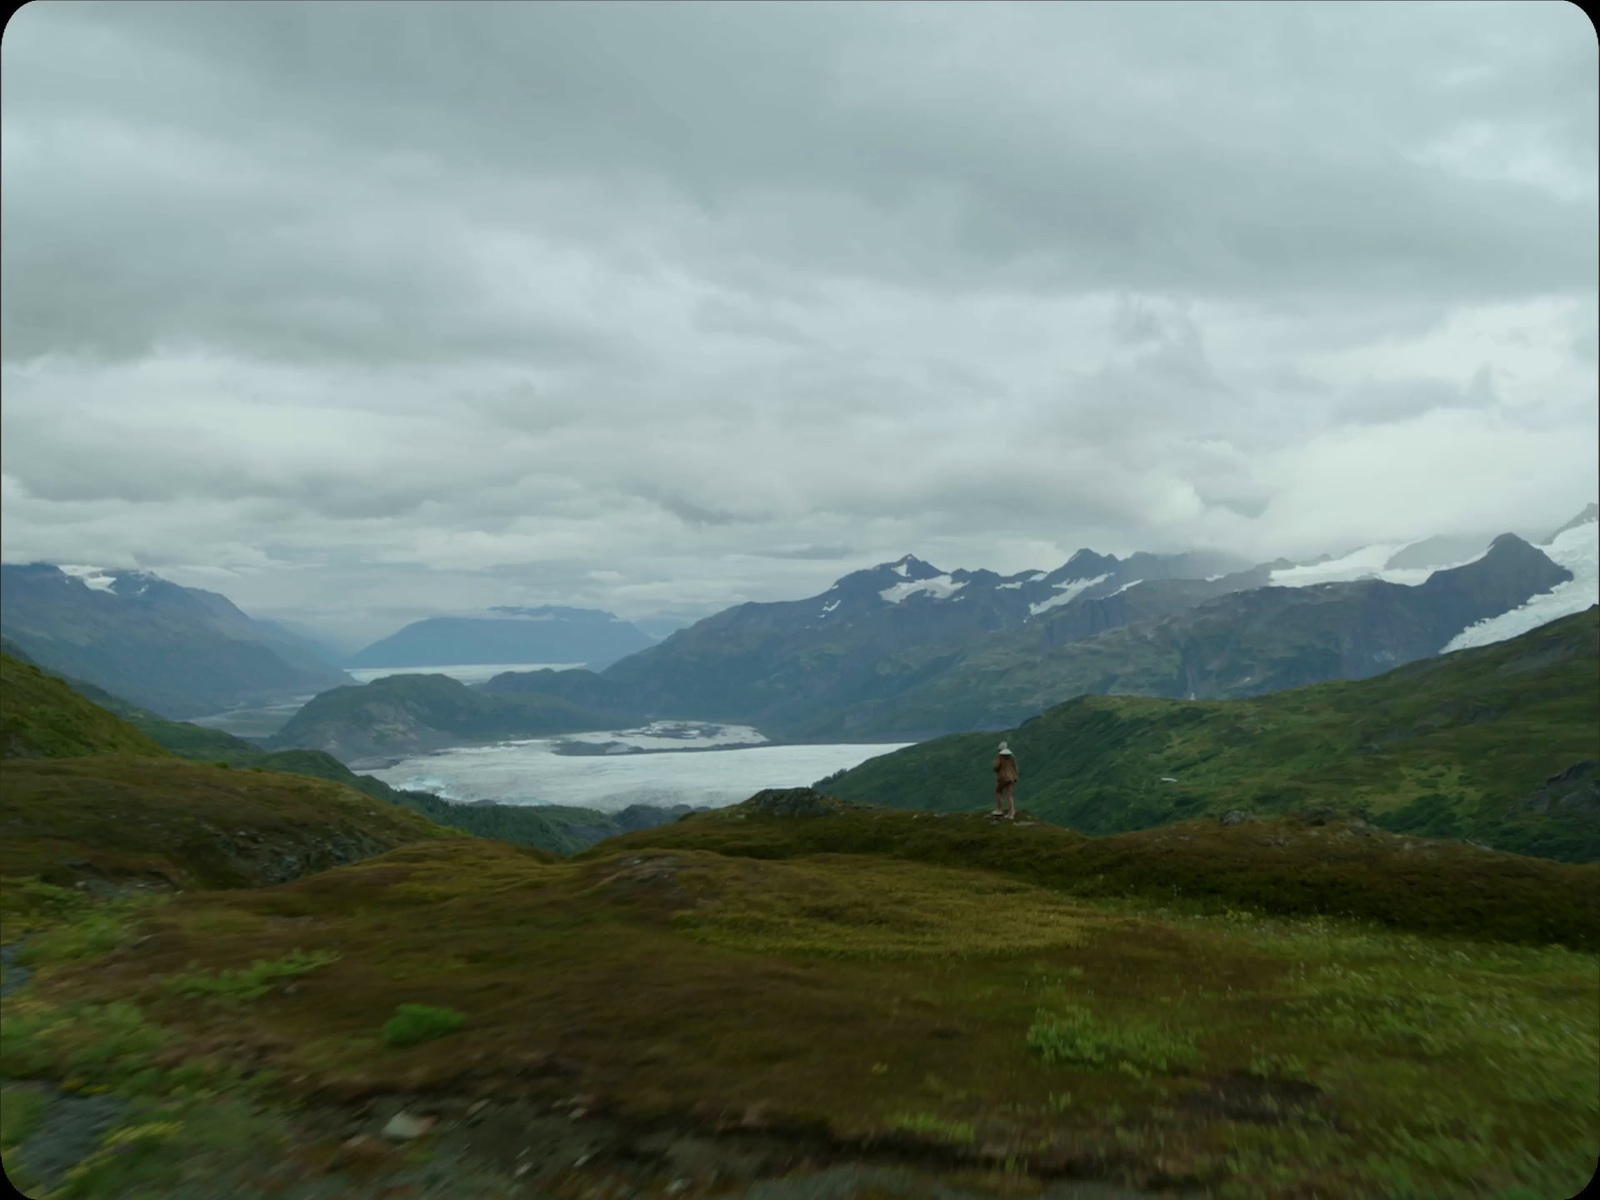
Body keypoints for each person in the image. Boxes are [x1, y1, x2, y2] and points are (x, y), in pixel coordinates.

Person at [992, 741, 1018, 820]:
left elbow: (996, 767)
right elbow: (1015, 767)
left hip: (1003, 778)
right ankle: (1011, 812)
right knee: (1009, 795)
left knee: (998, 791)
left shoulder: (999, 756)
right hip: (1011, 777)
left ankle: (999, 809)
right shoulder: (1011, 756)